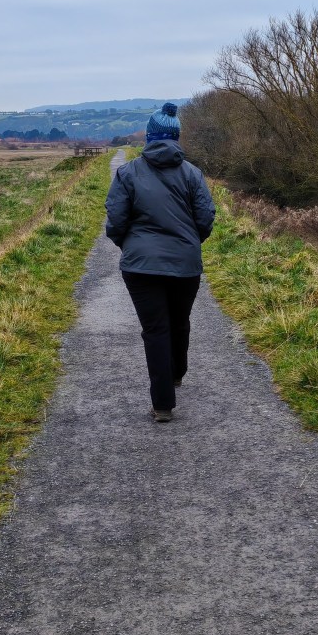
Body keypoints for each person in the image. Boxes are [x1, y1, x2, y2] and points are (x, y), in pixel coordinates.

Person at [105, 102, 215, 422]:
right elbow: (205, 218)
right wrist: (189, 244)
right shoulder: (192, 174)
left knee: (155, 329)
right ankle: (177, 372)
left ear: (150, 137)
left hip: (140, 267)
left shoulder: (127, 173)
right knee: (179, 322)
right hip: (185, 264)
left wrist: (129, 246)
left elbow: (116, 220)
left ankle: (163, 404)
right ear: (176, 137)